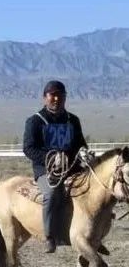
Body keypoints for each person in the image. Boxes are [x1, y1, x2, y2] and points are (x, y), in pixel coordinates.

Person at [23, 80, 88, 253]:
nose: (57, 98)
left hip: (71, 167)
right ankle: (50, 236)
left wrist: (83, 152)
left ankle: (91, 232)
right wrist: (50, 158)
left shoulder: (73, 120)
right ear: (45, 98)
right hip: (46, 170)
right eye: (53, 95)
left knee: (91, 187)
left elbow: (80, 144)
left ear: (65, 97)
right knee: (52, 193)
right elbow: (28, 148)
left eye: (60, 95)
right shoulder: (35, 121)